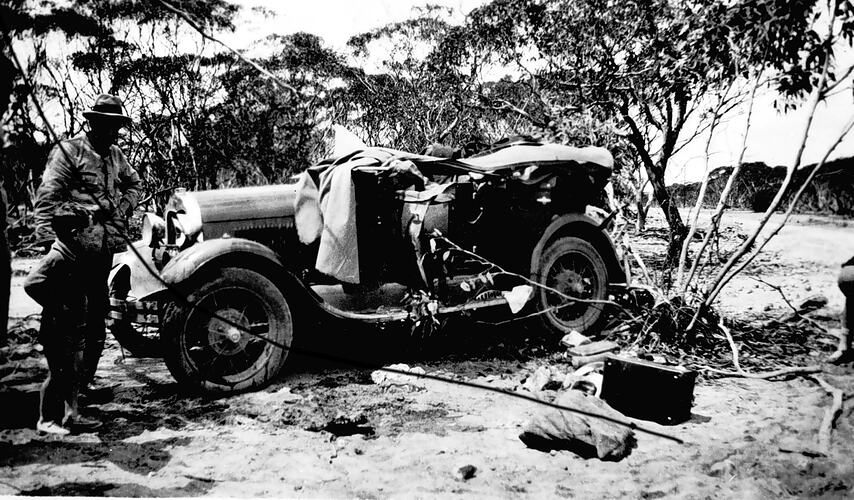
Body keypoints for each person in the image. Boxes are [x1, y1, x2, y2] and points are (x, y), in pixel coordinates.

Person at [24, 94, 141, 434]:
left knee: (94, 323)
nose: (112, 131)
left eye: (116, 125)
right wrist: (51, 243)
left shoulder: (116, 155)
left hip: (101, 252)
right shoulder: (68, 152)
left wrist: (123, 205)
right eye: (106, 124)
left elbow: (134, 184)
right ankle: (56, 407)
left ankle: (80, 391)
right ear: (92, 123)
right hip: (72, 248)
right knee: (65, 329)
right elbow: (48, 198)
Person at [830, 261, 854, 363]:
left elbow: (845, 264)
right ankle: (844, 348)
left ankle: (844, 347)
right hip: (849, 276)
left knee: (851, 302)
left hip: (847, 274)